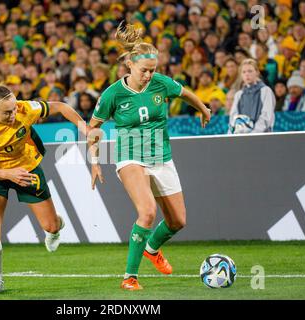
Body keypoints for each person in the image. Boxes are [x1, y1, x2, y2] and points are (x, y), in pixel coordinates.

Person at [87, 23, 211, 291]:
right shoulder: (113, 94)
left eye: (153, 70)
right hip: (129, 156)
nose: (149, 75)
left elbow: (184, 92)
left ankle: (152, 249)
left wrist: (202, 107)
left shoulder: (160, 83)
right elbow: (93, 128)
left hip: (161, 156)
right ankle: (129, 277)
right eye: (144, 70)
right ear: (129, 65)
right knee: (147, 212)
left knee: (178, 220)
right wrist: (95, 162)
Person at [0, 82, 88, 295]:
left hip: (27, 169)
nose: (13, 114)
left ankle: (56, 225)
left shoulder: (24, 109)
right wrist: (7, 174)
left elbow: (59, 106)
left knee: (50, 226)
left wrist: (85, 128)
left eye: (14, 109)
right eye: (7, 112)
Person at [229, 59, 276, 134]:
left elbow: (266, 116)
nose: (247, 74)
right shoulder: (239, 95)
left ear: (257, 72)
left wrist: (253, 133)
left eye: (250, 71)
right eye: (244, 72)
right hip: (242, 138)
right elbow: (233, 118)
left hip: (262, 137)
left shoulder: (265, 91)